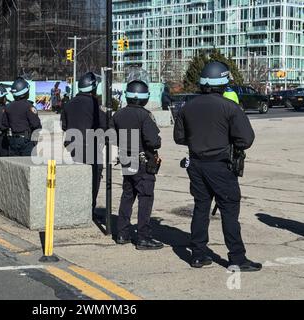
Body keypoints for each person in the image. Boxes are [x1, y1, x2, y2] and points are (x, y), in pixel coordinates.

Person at [173, 61, 262, 272]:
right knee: (229, 211)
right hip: (220, 166)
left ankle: (198, 255)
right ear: (223, 82)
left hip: (195, 165)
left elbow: (179, 137)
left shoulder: (187, 107)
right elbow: (246, 139)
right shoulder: (230, 107)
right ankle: (237, 258)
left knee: (201, 208)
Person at [111, 80, 164, 250]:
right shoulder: (145, 115)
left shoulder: (118, 114)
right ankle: (143, 237)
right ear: (144, 97)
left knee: (128, 195)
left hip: (127, 158)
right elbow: (153, 141)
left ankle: (122, 233)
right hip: (143, 161)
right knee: (145, 198)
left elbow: (110, 136)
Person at [61, 72, 106, 214]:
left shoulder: (69, 103)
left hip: (74, 146)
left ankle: (77, 208)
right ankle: (88, 210)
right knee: (93, 178)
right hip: (90, 146)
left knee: (79, 177)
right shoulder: (93, 103)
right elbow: (104, 124)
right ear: (93, 87)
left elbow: (64, 125)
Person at [3, 77, 42, 156]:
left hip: (13, 140)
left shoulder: (8, 107)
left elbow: (4, 124)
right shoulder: (28, 106)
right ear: (25, 92)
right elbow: (36, 125)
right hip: (26, 141)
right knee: (28, 163)